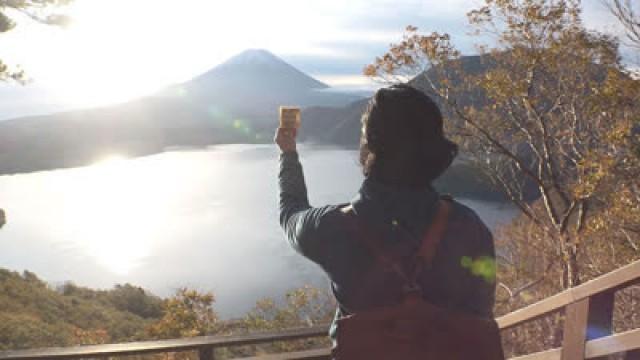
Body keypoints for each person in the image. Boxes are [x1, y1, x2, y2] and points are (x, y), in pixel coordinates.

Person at [275, 84, 497, 354]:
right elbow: (480, 313)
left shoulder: (333, 228)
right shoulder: (470, 228)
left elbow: (290, 215)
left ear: (370, 144)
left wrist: (288, 153)